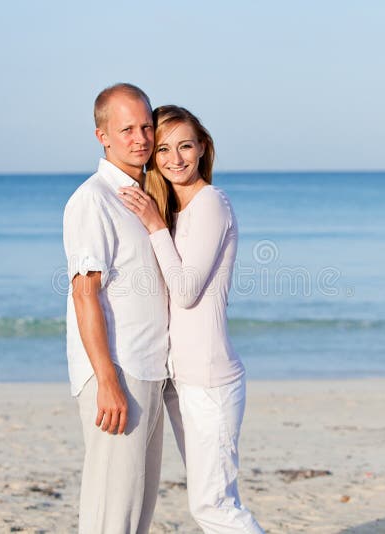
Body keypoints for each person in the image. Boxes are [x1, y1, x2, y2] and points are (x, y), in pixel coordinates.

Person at [118, 105, 264, 533]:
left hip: (212, 383)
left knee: (213, 506)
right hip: (183, 381)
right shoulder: (176, 212)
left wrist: (150, 224)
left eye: (185, 146)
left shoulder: (211, 203)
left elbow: (184, 292)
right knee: (216, 500)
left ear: (202, 148)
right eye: (163, 149)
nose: (175, 158)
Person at [62, 83, 169, 533]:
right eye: (127, 129)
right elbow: (84, 294)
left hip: (149, 369)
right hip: (118, 372)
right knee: (111, 512)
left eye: (146, 126)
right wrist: (107, 379)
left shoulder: (144, 195)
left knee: (136, 511)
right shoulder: (94, 199)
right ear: (102, 135)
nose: (140, 138)